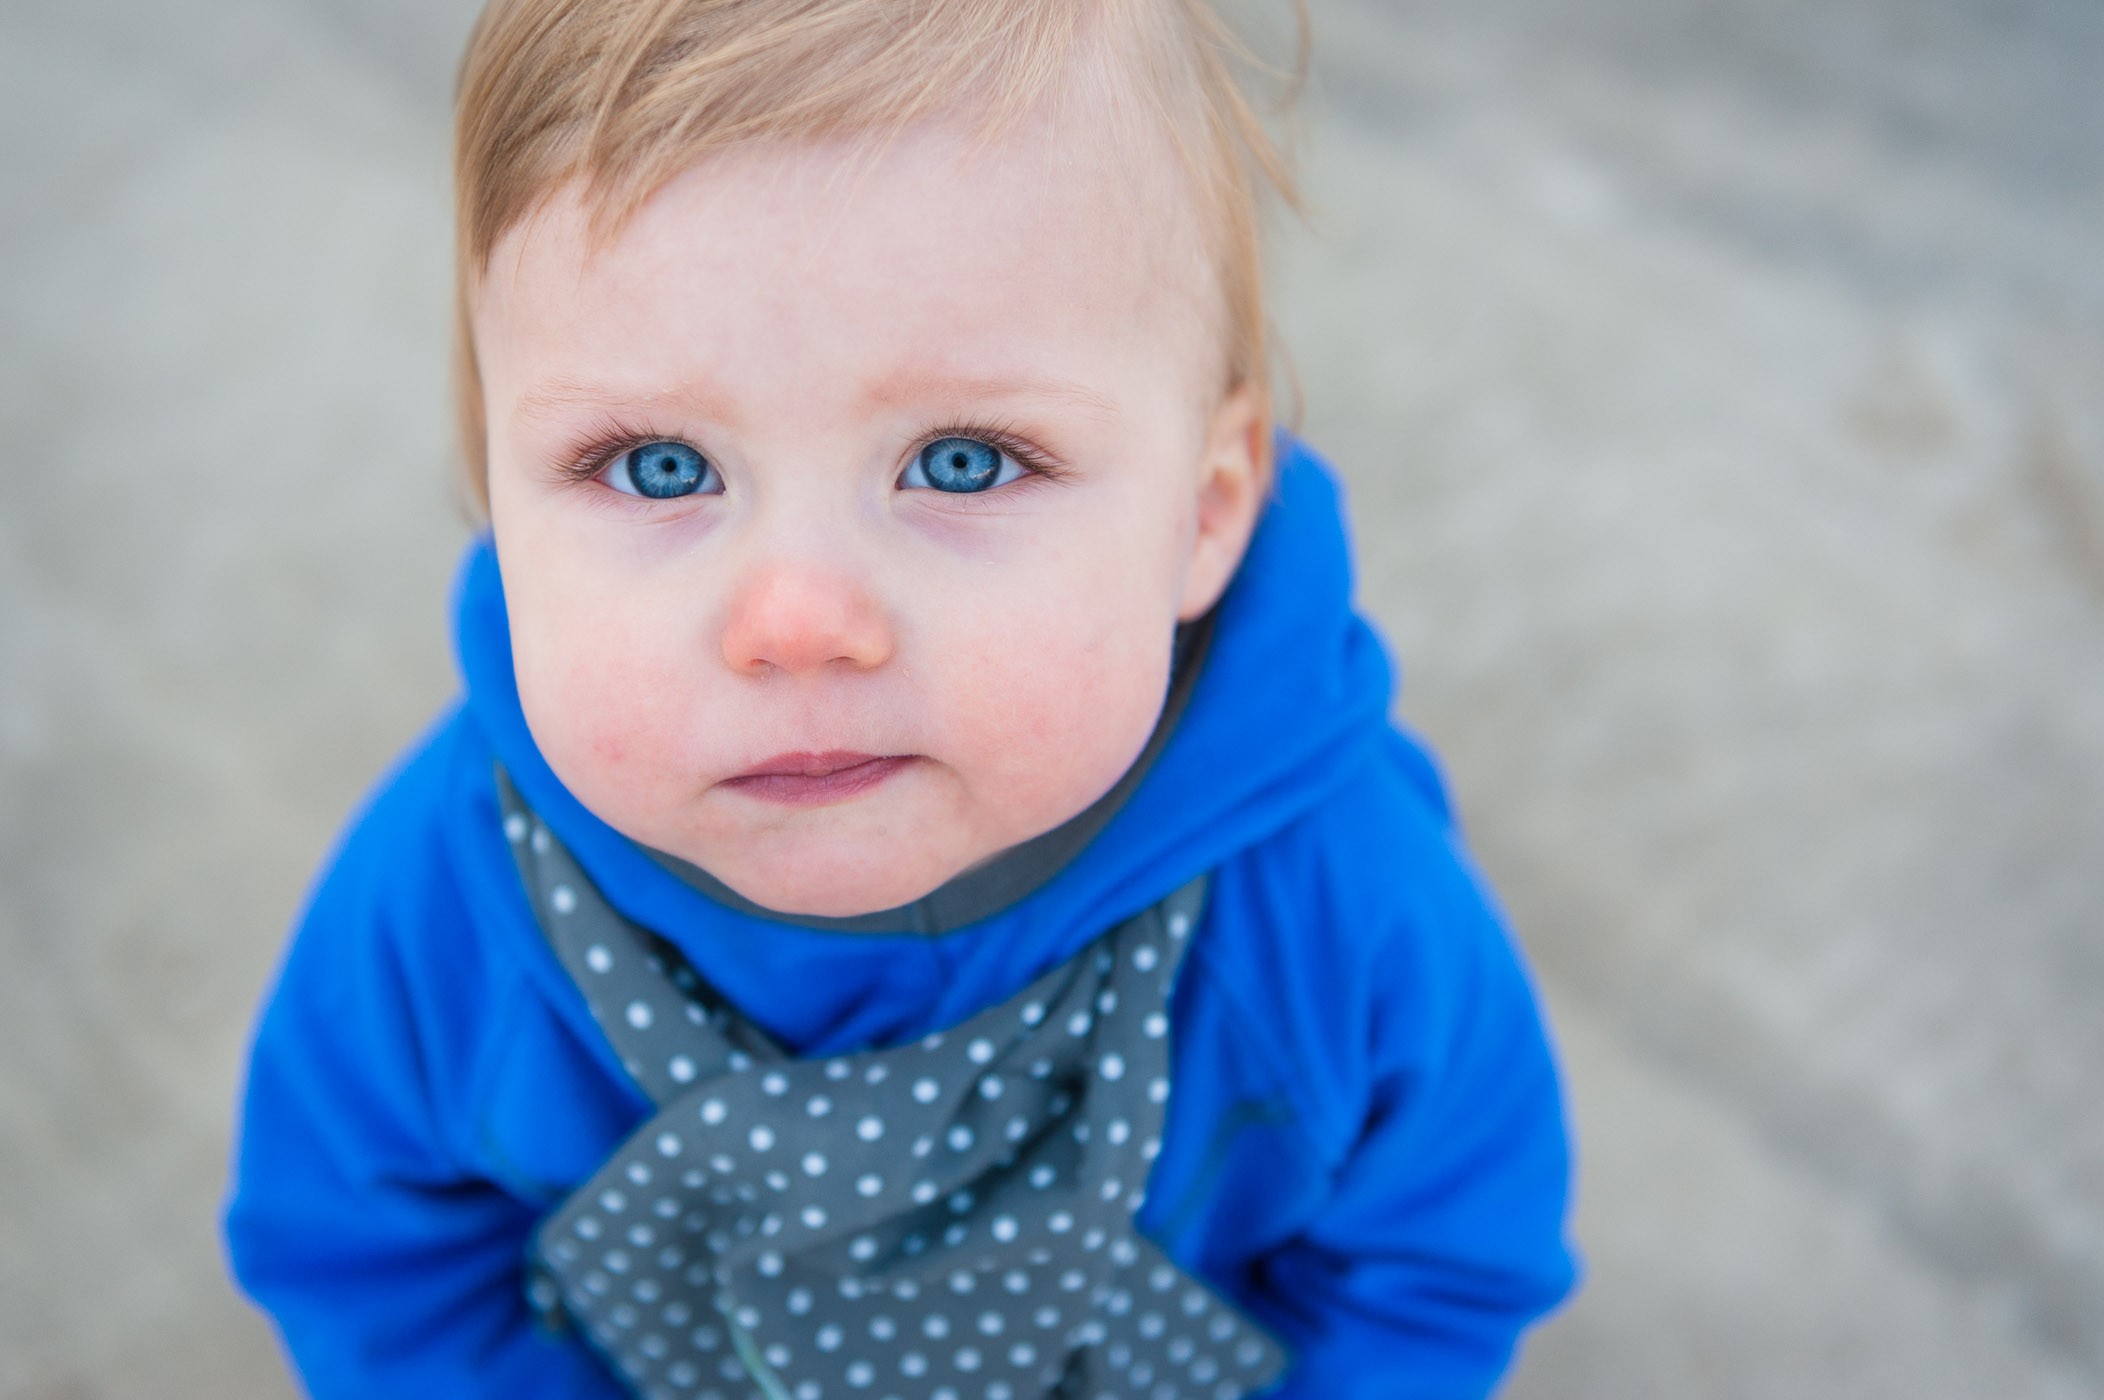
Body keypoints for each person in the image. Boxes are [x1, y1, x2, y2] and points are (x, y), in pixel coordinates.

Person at [223, 1, 1577, 1396]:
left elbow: (1435, 1271)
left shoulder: (1339, 915)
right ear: (500, 496)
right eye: (659, 469)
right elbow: (369, 1261)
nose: (799, 623)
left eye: (966, 462)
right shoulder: (449, 903)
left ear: (1204, 509)